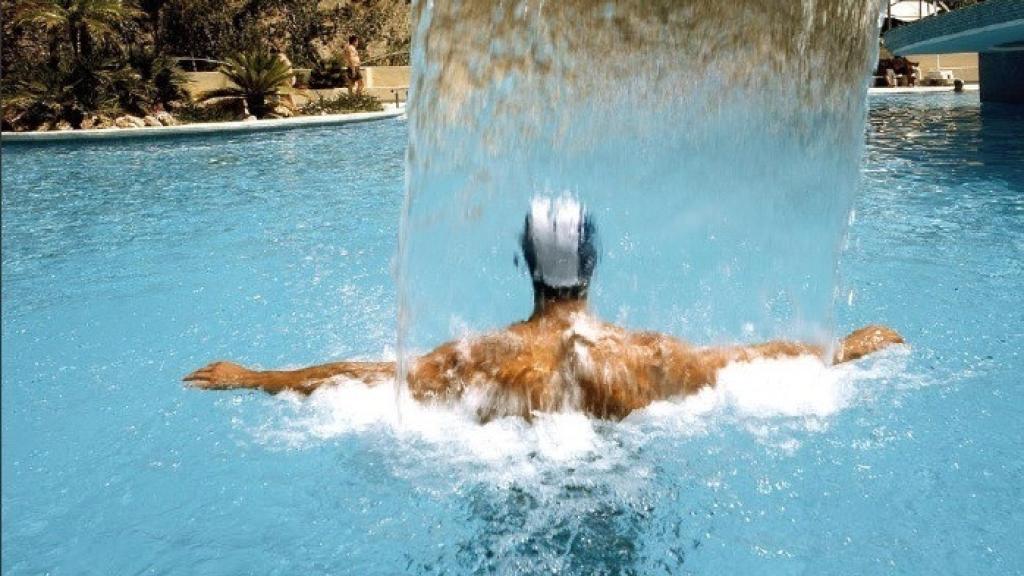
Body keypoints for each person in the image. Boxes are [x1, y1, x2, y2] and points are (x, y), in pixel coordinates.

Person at [185, 198, 904, 422]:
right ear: (593, 264)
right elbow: (751, 361)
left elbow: (371, 378)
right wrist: (842, 349)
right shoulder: (648, 357)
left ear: (526, 265)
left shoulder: (477, 359)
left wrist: (257, 377)